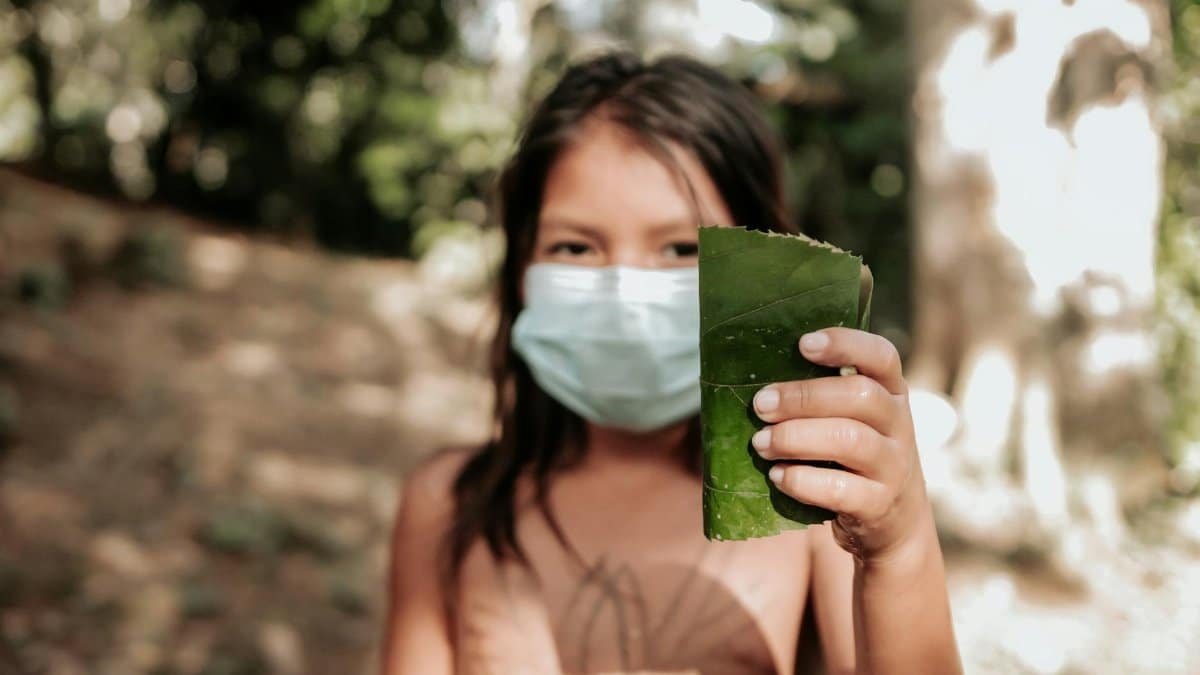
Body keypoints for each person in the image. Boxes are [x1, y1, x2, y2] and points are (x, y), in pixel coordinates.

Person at [381, 51, 961, 675]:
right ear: (522, 267)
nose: (626, 295)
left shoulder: (811, 507)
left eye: (683, 248)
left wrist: (897, 548)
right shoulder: (448, 506)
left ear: (760, 268)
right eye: (575, 246)